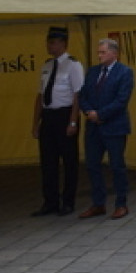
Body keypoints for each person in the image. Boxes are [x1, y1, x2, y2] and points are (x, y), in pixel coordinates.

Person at [78, 38, 135, 219]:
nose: (99, 55)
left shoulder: (124, 72)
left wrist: (101, 114)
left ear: (114, 53)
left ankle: (121, 203)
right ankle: (98, 203)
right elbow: (83, 95)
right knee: (92, 164)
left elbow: (121, 100)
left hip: (114, 126)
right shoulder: (93, 72)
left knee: (117, 165)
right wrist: (88, 111)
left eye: (103, 52)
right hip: (93, 127)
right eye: (99, 52)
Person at [30, 26, 83, 216]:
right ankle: (50, 201)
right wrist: (35, 123)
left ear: (63, 43)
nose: (49, 46)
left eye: (53, 42)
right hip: (49, 115)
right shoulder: (47, 66)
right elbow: (40, 96)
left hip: (65, 114)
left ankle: (68, 201)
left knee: (69, 161)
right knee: (48, 161)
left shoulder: (73, 65)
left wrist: (73, 121)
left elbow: (77, 95)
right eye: (48, 42)